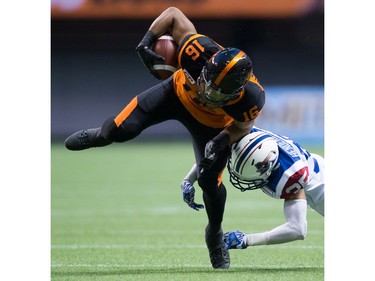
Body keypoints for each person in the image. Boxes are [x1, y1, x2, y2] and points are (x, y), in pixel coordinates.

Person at [64, 7, 266, 269]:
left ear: (237, 90)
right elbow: (173, 13)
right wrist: (146, 42)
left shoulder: (252, 97)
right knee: (120, 130)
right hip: (175, 94)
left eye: (218, 93)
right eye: (208, 82)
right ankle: (101, 135)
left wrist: (222, 139)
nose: (208, 92)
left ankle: (214, 234)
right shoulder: (198, 51)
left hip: (213, 125)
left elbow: (243, 126)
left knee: (210, 184)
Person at [180, 126, 324, 252]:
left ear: (265, 167)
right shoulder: (249, 137)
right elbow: (214, 155)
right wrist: (189, 179)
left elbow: (297, 229)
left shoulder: (290, 176)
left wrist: (247, 240)